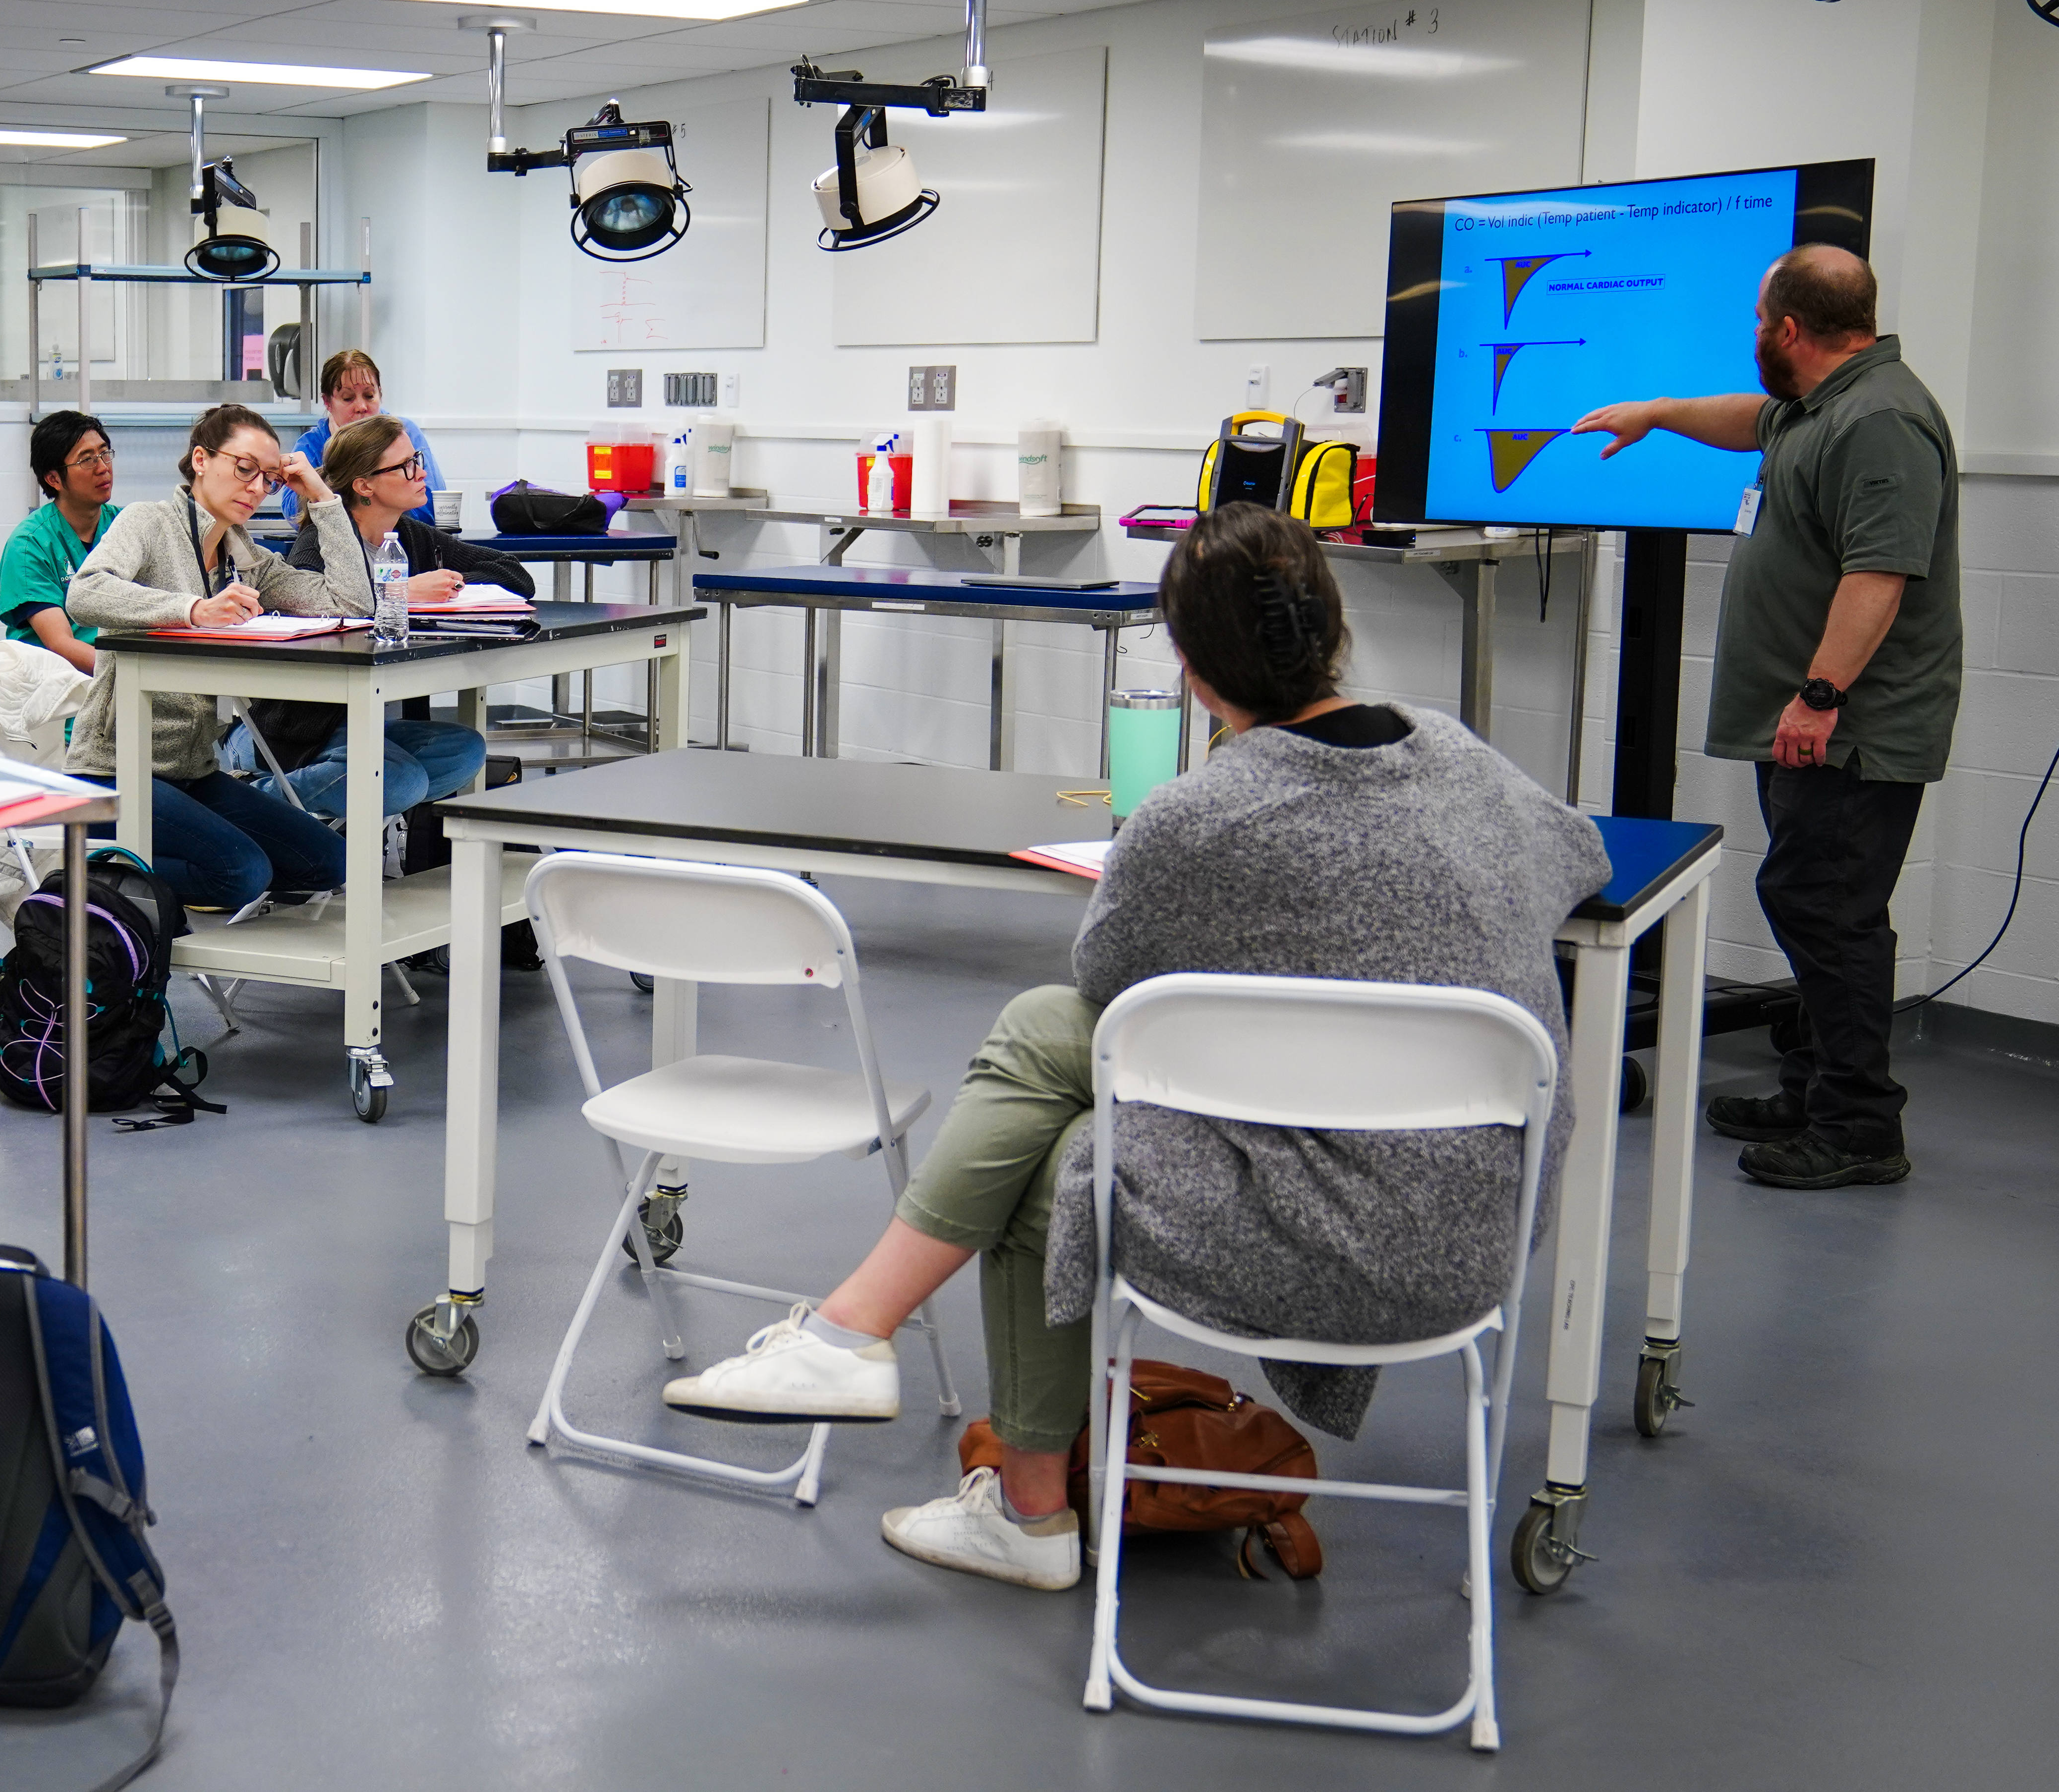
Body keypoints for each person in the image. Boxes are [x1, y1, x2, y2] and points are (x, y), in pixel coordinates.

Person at [658, 503, 1607, 1592]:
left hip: (1322, 1235)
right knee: (1053, 1103)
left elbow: (1111, 997)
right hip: (1476, 1228)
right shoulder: (1456, 756)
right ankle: (868, 1355)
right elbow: (1575, 853)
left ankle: (974, 1460)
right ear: (1332, 627)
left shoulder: (1197, 818)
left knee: (1047, 1077)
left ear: (1195, 673)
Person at [1569, 244, 1959, 1191]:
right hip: (1812, 723)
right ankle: (1817, 1083)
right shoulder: (1821, 405)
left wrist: (1819, 698)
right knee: (1815, 903)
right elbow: (1752, 418)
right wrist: (1657, 413)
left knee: (1828, 909)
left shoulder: (1881, 420)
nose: (1752, 336)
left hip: (1851, 728)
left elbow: (1881, 576)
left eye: (1754, 319)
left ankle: (1860, 1123)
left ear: (1788, 328)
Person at [63, 403, 366, 912]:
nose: (255, 488)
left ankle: (131, 868)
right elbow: (85, 594)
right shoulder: (149, 522)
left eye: (269, 479)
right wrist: (192, 610)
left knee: (329, 862)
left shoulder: (247, 558)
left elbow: (351, 604)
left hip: (194, 771)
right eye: (244, 469)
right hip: (113, 771)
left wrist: (320, 496)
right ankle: (83, 873)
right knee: (239, 872)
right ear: (201, 460)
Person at [224, 413, 516, 818]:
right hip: (299, 725)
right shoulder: (319, 540)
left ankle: (334, 810)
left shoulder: (412, 536)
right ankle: (243, 800)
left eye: (417, 459)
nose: (421, 472)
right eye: (406, 466)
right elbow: (312, 610)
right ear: (364, 486)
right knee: (401, 780)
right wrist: (397, 593)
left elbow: (511, 573)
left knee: (465, 750)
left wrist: (447, 583)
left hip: (366, 712)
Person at [0, 409, 118, 676]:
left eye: (105, 453)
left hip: (122, 671)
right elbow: (61, 644)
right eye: (87, 460)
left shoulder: (126, 525)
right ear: (54, 479)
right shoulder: (29, 546)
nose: (103, 468)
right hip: (59, 688)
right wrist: (127, 673)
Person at [280, 348, 438, 525]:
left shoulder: (406, 434)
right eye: (348, 398)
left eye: (370, 396)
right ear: (328, 402)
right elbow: (296, 517)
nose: (362, 406)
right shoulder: (312, 445)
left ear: (380, 393)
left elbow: (431, 510)